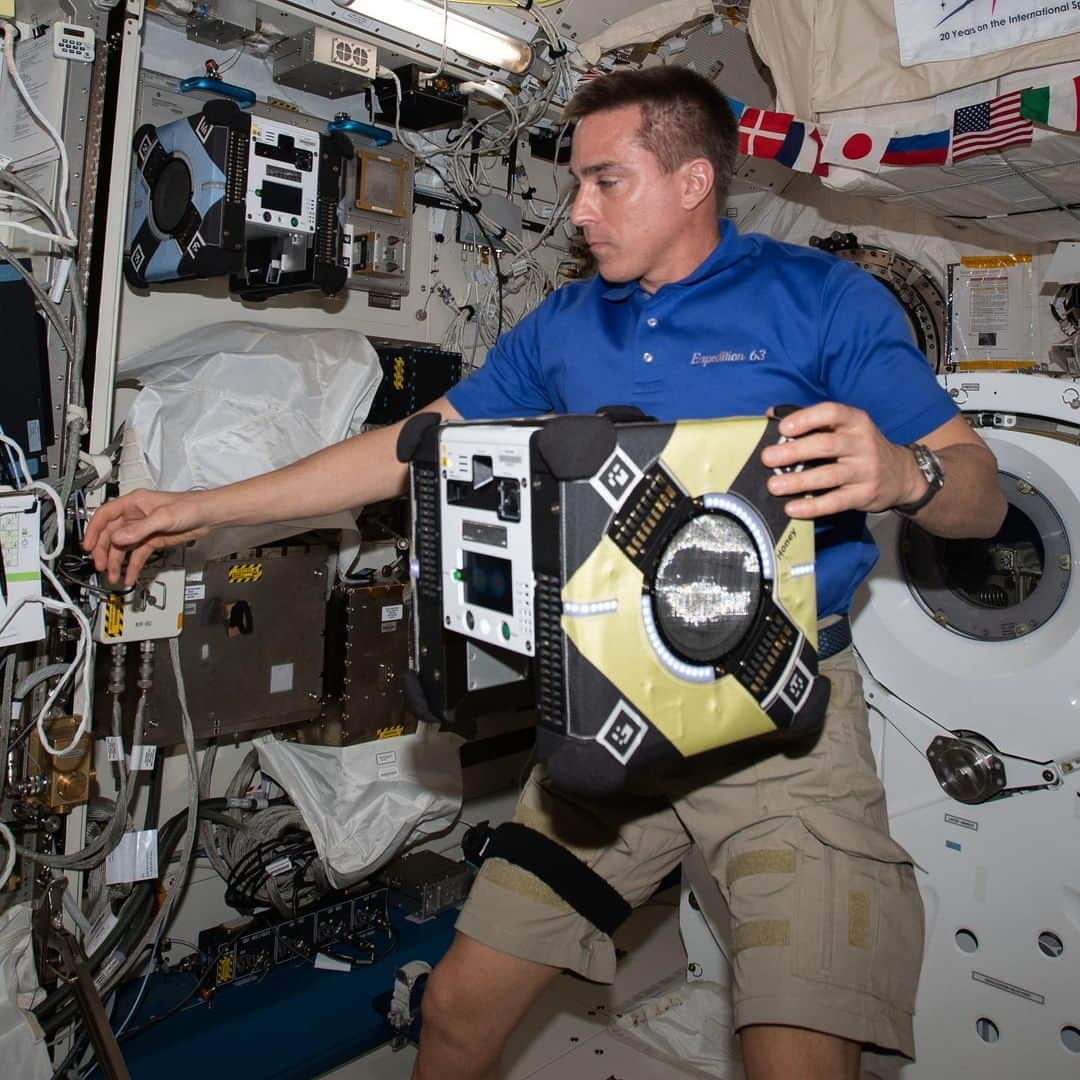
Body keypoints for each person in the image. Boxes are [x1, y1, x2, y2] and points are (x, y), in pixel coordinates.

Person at [85, 67, 1006, 1080]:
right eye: (578, 183)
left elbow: (982, 494)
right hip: (611, 712)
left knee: (797, 1059)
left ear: (694, 181)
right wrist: (198, 508)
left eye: (608, 182)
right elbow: (408, 447)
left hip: (779, 718)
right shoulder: (567, 325)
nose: (579, 210)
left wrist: (903, 471)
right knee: (459, 1015)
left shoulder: (822, 303)